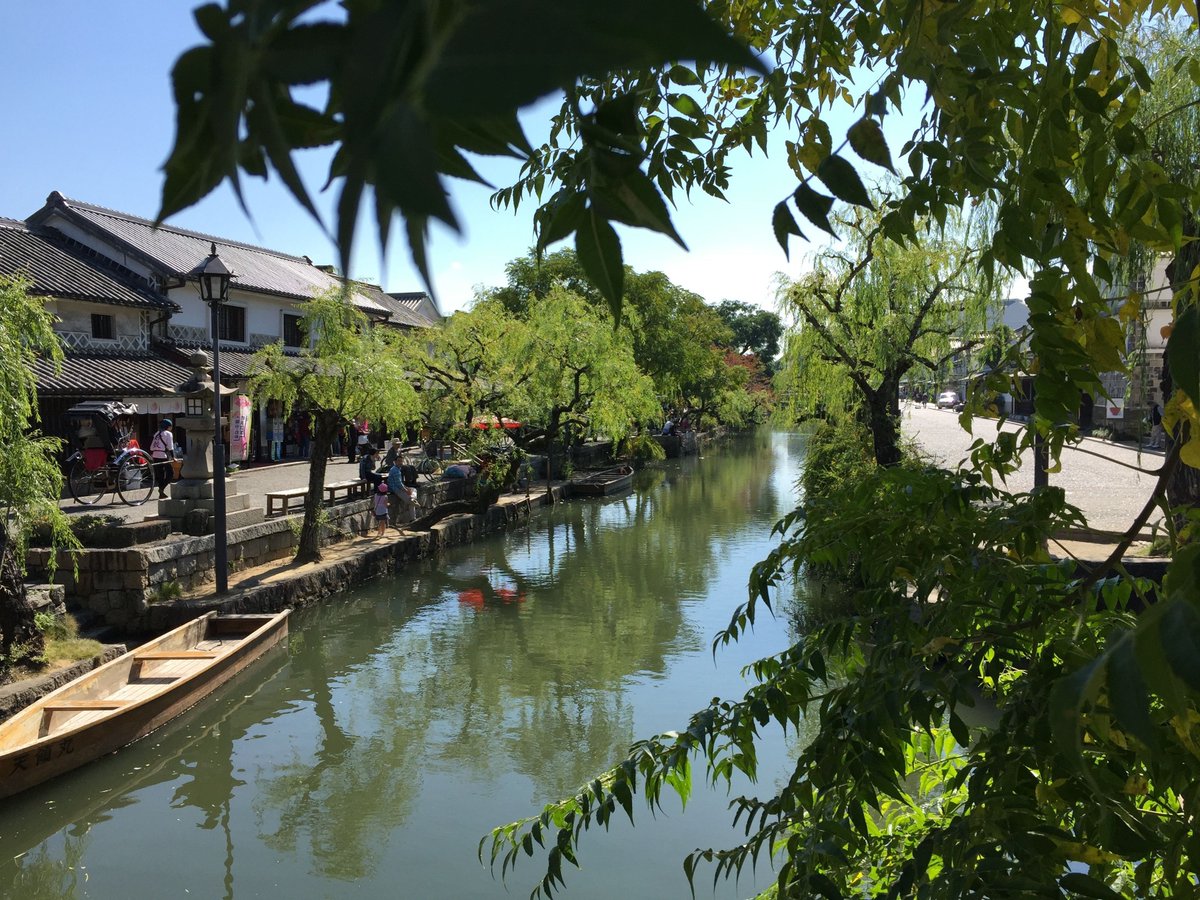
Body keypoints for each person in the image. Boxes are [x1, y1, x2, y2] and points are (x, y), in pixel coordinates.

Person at [387, 457, 418, 527]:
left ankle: (412, 499)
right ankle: (413, 518)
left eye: (401, 461)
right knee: (411, 500)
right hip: (396, 490)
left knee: (413, 490)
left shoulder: (397, 469)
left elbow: (400, 483)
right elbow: (399, 485)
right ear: (395, 462)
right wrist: (406, 490)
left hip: (399, 488)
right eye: (399, 461)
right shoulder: (395, 470)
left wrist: (407, 489)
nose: (400, 463)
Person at [149, 418, 176, 499]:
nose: (171, 428)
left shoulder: (157, 433)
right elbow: (170, 447)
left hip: (155, 455)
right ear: (168, 426)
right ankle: (161, 489)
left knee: (160, 475)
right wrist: (173, 457)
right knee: (171, 473)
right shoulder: (168, 434)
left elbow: (151, 447)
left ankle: (161, 493)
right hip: (163, 456)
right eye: (171, 426)